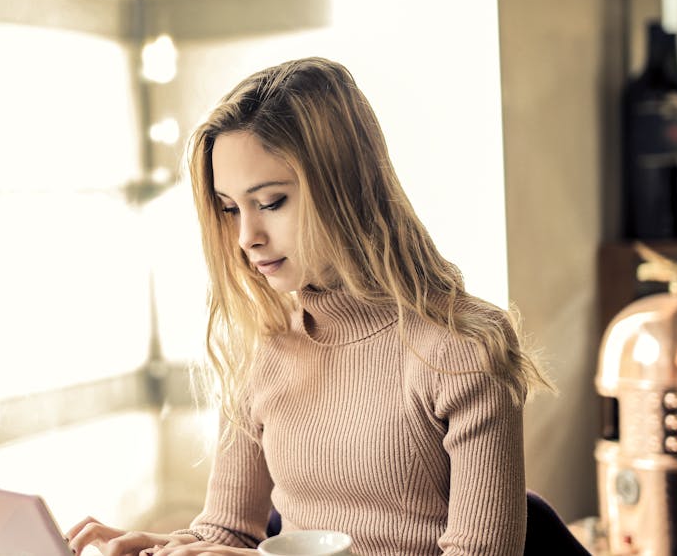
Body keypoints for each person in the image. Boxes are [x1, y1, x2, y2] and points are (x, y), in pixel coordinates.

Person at [66, 57, 552, 555]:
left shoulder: (462, 348)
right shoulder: (261, 345)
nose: (246, 237)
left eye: (271, 202)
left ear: (344, 187)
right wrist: (159, 546)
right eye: (230, 208)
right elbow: (228, 535)